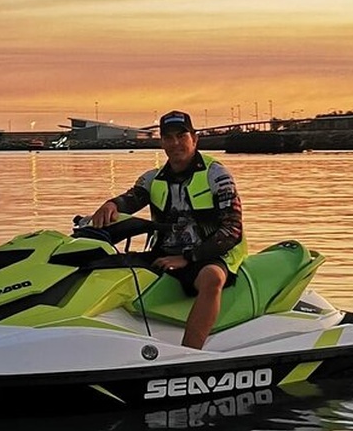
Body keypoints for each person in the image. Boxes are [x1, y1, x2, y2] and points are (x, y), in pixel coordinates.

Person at [91, 110, 247, 349]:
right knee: (109, 265)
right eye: (168, 137)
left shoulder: (217, 176)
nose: (175, 143)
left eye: (181, 136)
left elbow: (233, 230)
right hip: (165, 252)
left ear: (194, 139)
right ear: (162, 142)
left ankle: (189, 354)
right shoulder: (153, 178)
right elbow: (132, 198)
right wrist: (111, 205)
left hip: (212, 253)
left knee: (211, 279)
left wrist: (188, 258)